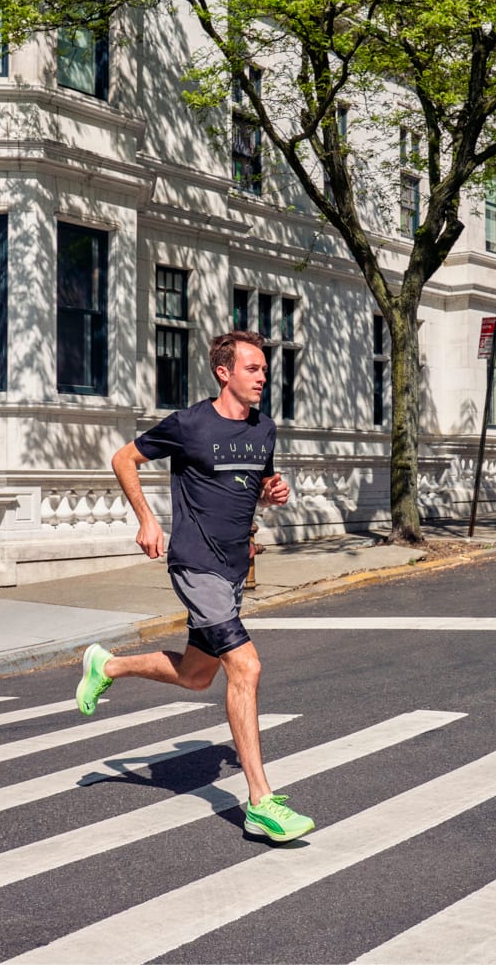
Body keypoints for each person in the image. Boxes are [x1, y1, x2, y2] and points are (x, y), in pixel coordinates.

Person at [76, 330, 314, 843]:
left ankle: (107, 664)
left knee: (195, 676)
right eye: (253, 368)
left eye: (265, 370)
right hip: (194, 564)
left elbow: (258, 490)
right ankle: (260, 802)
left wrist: (275, 493)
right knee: (246, 667)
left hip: (230, 570)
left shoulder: (264, 429)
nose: (262, 377)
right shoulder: (189, 424)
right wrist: (147, 520)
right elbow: (124, 458)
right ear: (224, 372)